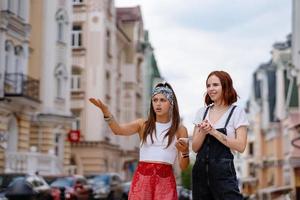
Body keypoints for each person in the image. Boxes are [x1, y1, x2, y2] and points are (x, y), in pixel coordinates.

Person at [89, 82, 189, 200]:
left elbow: (183, 166)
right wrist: (106, 112)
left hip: (165, 182)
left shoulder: (180, 129)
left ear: (171, 103)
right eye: (155, 100)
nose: (158, 104)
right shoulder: (143, 125)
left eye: (163, 100)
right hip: (142, 181)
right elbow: (118, 130)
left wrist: (185, 152)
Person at [192, 70, 249, 200]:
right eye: (208, 85)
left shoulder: (237, 112)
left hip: (223, 174)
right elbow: (195, 147)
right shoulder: (202, 112)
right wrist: (203, 131)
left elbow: (240, 146)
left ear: (225, 86)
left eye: (215, 85)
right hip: (200, 173)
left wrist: (214, 132)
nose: (211, 89)